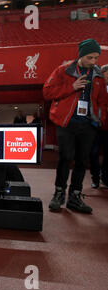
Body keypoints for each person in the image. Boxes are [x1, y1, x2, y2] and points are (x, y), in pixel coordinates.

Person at [44, 39, 108, 213]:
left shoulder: (98, 75)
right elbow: (47, 91)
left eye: (96, 58)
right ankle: (59, 193)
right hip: (66, 123)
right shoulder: (63, 70)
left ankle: (75, 197)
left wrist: (100, 119)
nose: (93, 62)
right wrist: (71, 87)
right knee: (65, 158)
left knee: (81, 161)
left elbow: (103, 101)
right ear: (80, 55)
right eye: (89, 57)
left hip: (88, 125)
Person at [89, 64, 108, 188]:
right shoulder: (95, 86)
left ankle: (105, 178)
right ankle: (95, 178)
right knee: (93, 153)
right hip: (95, 125)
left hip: (107, 127)